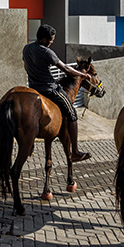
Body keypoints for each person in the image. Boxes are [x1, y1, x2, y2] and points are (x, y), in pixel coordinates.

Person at [23, 24, 93, 162]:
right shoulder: (46, 52)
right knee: (72, 113)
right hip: (49, 89)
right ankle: (75, 152)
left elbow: (27, 67)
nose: (51, 42)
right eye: (51, 40)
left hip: (33, 88)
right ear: (44, 39)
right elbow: (66, 69)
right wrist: (82, 75)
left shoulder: (27, 48)